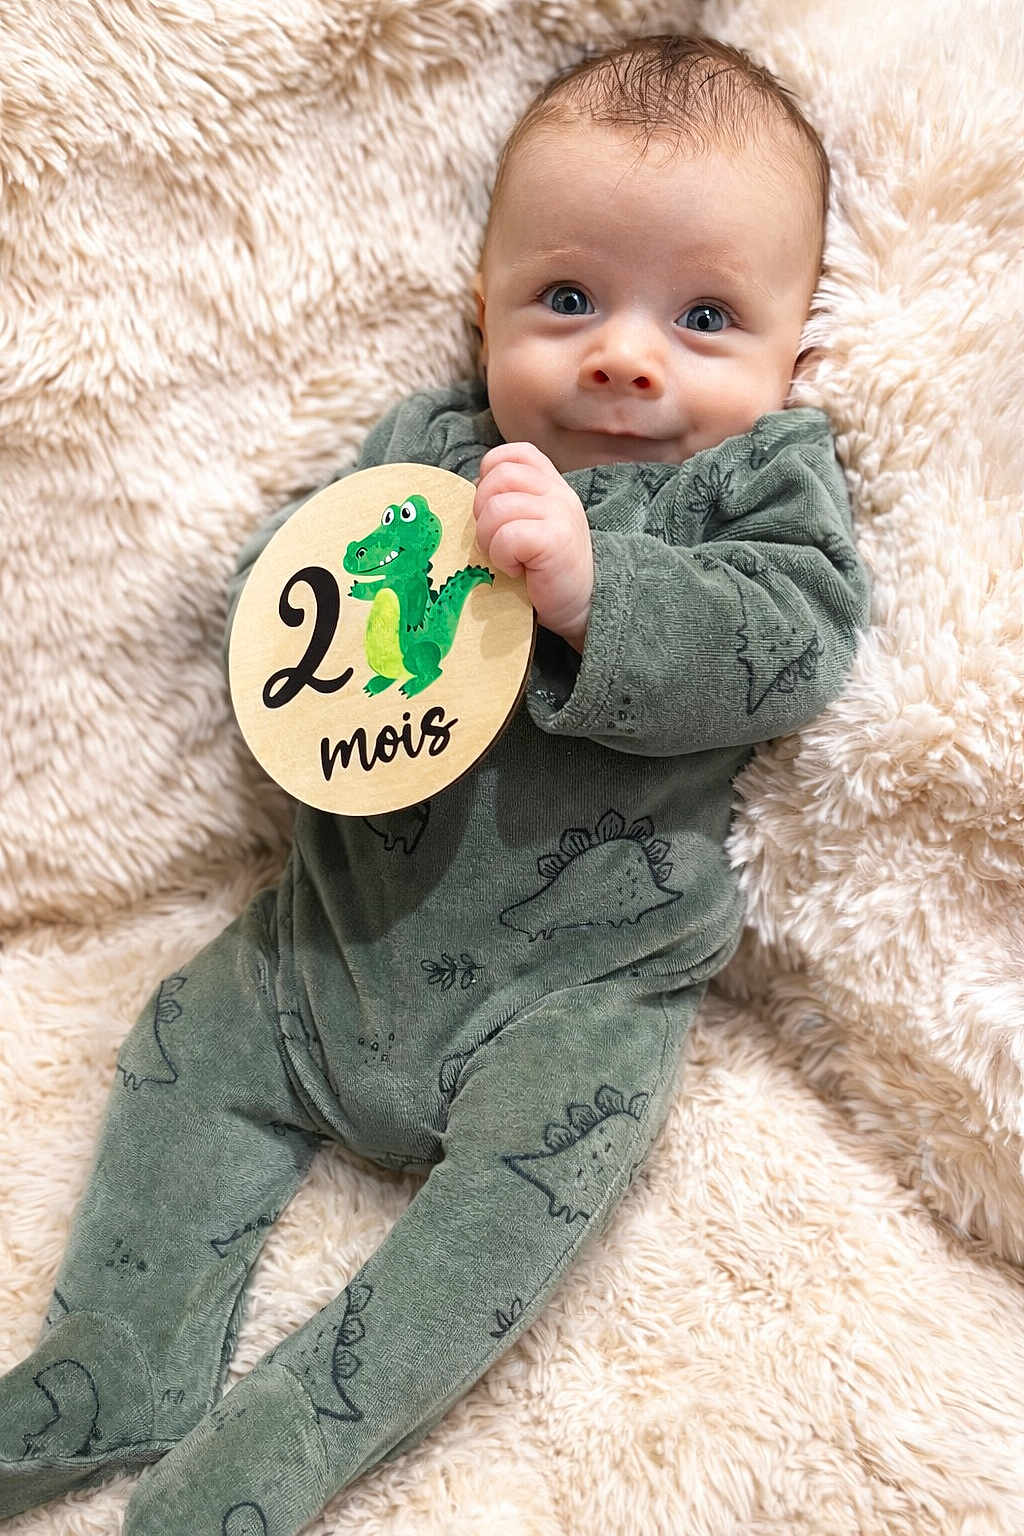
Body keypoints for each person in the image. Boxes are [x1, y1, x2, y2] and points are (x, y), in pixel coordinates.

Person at [0, 32, 870, 1535]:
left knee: (507, 1221)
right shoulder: (431, 453)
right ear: (485, 314)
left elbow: (792, 644)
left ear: (799, 352)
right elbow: (293, 597)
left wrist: (604, 588)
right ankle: (111, 1365)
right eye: (569, 298)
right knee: (183, 1049)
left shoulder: (761, 486)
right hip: (325, 945)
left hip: (571, 1001)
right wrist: (280, 613)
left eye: (707, 315)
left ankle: (266, 1462)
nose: (622, 353)